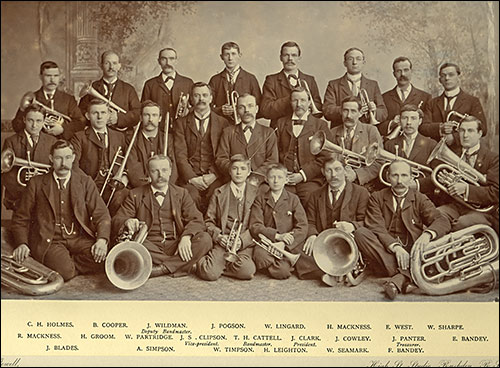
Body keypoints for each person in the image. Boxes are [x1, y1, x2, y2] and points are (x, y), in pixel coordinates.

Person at [9, 140, 111, 281]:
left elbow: (101, 214)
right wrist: (22, 243)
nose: (63, 163)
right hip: (51, 240)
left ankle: (62, 263)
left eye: (67, 158)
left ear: (73, 158)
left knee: (106, 259)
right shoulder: (36, 183)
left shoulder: (85, 182)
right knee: (65, 272)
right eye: (58, 158)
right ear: (51, 158)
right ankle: (63, 265)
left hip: (78, 239)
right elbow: (21, 218)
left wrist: (101, 240)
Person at [354, 160, 451, 300]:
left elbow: (442, 221)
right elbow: (376, 227)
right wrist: (396, 248)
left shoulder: (420, 198)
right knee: (361, 233)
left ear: (411, 178)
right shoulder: (377, 197)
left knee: (433, 246)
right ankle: (406, 274)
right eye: (395, 175)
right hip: (385, 249)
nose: (400, 181)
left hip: (411, 251)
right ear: (388, 177)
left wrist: (427, 235)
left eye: (404, 175)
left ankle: (397, 279)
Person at [112, 155, 212, 278]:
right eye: (155, 171)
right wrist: (127, 221)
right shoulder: (135, 194)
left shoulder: (182, 193)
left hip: (175, 244)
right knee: (133, 243)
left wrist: (186, 237)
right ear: (148, 173)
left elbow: (197, 220)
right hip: (148, 245)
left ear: (170, 171)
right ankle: (181, 265)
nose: (160, 175)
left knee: (205, 239)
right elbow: (117, 219)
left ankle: (161, 269)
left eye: (164, 170)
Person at [300, 155, 370, 283]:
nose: (333, 175)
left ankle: (330, 271)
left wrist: (353, 226)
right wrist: (312, 235)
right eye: (329, 170)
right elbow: (309, 222)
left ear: (346, 170)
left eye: (338, 169)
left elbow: (367, 222)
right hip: (324, 245)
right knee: (300, 251)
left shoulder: (361, 193)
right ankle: (338, 272)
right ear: (323, 172)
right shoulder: (315, 195)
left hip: (348, 246)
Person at [197, 154, 258, 281]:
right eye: (235, 168)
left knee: (247, 272)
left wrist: (242, 240)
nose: (239, 172)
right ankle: (207, 263)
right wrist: (219, 236)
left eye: (242, 169)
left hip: (243, 244)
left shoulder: (256, 193)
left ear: (249, 172)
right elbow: (208, 222)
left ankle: (222, 267)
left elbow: (258, 225)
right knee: (210, 274)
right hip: (224, 241)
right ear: (230, 171)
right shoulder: (219, 192)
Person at [173, 82, 229, 213]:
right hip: (190, 177)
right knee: (189, 197)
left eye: (205, 95)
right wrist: (192, 178)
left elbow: (225, 153)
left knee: (217, 195)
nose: (201, 99)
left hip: (214, 176)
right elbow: (180, 154)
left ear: (211, 98)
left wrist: (214, 175)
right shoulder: (181, 123)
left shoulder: (223, 122)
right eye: (197, 95)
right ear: (191, 99)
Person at [436, 116, 498, 232]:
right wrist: (446, 182)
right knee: (436, 216)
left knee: (462, 223)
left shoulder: (493, 158)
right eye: (462, 130)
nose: (465, 135)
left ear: (479, 134)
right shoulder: (453, 155)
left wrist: (466, 189)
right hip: (455, 207)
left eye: (470, 131)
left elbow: (495, 192)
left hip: (482, 211)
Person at [249, 163, 308, 280]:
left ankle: (279, 264)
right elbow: (255, 225)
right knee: (260, 256)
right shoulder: (260, 198)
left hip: (287, 244)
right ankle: (280, 262)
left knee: (282, 273)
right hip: (267, 242)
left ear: (286, 180)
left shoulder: (293, 199)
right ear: (266, 180)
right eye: (272, 177)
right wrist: (277, 236)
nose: (276, 181)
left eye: (280, 177)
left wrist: (284, 243)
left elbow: (302, 226)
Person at [275, 86, 331, 205]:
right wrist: (282, 173)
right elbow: (274, 152)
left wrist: (302, 175)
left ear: (310, 102)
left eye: (303, 100)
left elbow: (325, 157)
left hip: (310, 180)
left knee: (311, 200)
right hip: (285, 178)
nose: (299, 104)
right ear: (290, 102)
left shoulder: (320, 125)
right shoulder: (280, 123)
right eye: (295, 100)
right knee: (281, 202)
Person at [70, 99, 127, 213]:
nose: (99, 117)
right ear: (87, 116)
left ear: (108, 115)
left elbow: (127, 162)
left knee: (125, 197)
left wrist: (124, 177)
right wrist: (88, 184)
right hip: (90, 186)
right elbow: (73, 165)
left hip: (113, 186)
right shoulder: (79, 137)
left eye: (103, 113)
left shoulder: (119, 136)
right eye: (95, 113)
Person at [2, 104, 57, 211]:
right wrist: (26, 193)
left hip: (45, 198)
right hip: (19, 199)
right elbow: (6, 176)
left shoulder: (52, 141)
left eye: (38, 121)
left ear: (44, 121)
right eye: (30, 120)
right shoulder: (11, 141)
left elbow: (55, 170)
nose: (34, 125)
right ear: (24, 120)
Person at [12, 61, 85, 140]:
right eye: (48, 76)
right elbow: (17, 125)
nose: (52, 80)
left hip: (62, 145)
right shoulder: (32, 99)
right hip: (38, 144)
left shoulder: (68, 99)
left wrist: (63, 129)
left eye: (56, 76)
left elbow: (81, 122)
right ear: (40, 77)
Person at [216, 93, 278, 185]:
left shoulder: (269, 132)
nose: (246, 110)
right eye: (242, 107)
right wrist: (238, 173)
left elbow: (272, 161)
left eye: (250, 106)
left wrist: (255, 178)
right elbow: (221, 159)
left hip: (260, 183)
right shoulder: (228, 132)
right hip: (233, 182)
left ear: (256, 109)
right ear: (237, 110)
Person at [260, 41, 323, 129]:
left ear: (299, 58)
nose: (290, 59)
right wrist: (292, 98)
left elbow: (318, 107)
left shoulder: (309, 80)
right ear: (281, 58)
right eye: (286, 55)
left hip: (306, 128)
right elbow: (266, 110)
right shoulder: (271, 80)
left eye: (294, 55)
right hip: (280, 130)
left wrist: (305, 107)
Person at [421, 62, 486, 145]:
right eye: (443, 75)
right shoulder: (432, 103)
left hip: (463, 151)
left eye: (451, 75)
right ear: (440, 80)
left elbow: (483, 129)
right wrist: (440, 128)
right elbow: (423, 127)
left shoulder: (472, 101)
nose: (447, 78)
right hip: (437, 149)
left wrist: (455, 138)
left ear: (459, 77)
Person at [323, 47, 387, 129]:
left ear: (363, 63)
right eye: (350, 59)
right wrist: (349, 110)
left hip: (366, 131)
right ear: (345, 63)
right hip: (340, 131)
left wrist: (374, 111)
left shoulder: (373, 85)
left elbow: (383, 112)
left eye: (358, 59)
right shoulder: (333, 85)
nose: (354, 62)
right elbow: (327, 111)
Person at [383, 104, 438, 197]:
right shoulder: (390, 144)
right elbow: (384, 170)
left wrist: (417, 184)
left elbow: (436, 174)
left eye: (413, 118)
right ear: (400, 120)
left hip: (422, 196)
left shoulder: (431, 144)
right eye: (405, 118)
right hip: (394, 194)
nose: (408, 122)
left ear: (420, 121)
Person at [329, 96, 383, 190]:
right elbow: (328, 160)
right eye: (345, 110)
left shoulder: (371, 131)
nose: (349, 116)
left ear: (360, 113)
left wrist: (357, 174)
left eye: (353, 111)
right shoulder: (333, 132)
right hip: (337, 183)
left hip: (364, 185)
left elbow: (379, 162)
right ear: (341, 112)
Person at [78, 51, 141, 131]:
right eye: (107, 63)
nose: (111, 67)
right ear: (101, 66)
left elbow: (137, 114)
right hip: (96, 136)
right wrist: (94, 118)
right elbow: (80, 112)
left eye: (114, 63)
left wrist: (118, 118)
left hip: (123, 137)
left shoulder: (129, 89)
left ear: (119, 66)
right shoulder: (92, 87)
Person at [126, 100, 178, 188]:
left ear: (160, 118)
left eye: (154, 115)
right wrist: (150, 189)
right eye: (147, 115)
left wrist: (164, 187)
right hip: (141, 188)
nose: (150, 119)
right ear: (141, 117)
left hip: (165, 188)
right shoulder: (131, 139)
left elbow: (173, 168)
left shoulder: (168, 138)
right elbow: (133, 169)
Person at [208, 41, 262, 124]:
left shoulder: (250, 78)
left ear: (239, 55)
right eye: (227, 54)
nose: (230, 58)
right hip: (221, 125)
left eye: (233, 54)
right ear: (221, 57)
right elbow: (206, 107)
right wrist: (220, 110)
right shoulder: (215, 80)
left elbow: (259, 106)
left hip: (244, 125)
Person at [141, 47, 194, 129]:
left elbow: (195, 107)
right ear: (159, 61)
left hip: (183, 131)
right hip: (158, 132)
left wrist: (188, 111)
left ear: (176, 61)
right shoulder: (150, 84)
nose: (168, 63)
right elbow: (144, 110)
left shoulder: (188, 83)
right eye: (164, 59)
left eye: (171, 59)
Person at [381, 56, 431, 138]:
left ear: (411, 71)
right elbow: (378, 126)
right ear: (394, 74)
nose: (403, 74)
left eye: (406, 70)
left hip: (416, 146)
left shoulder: (425, 97)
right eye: (398, 71)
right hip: (391, 145)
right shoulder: (384, 98)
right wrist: (392, 123)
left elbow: (426, 126)